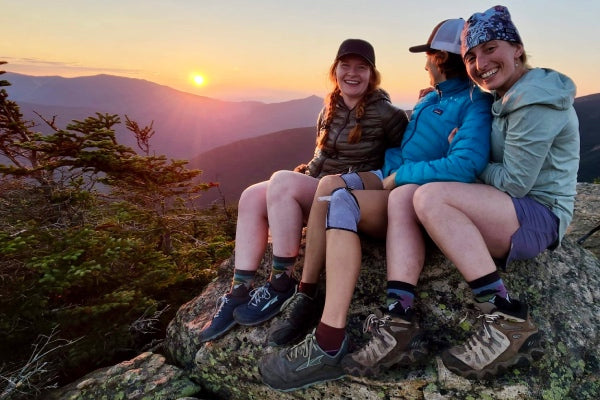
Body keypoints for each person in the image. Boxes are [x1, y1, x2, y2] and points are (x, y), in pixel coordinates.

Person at [259, 18, 493, 391]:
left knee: (341, 203)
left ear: (439, 58)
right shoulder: (432, 97)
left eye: (428, 56)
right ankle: (306, 293)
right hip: (387, 174)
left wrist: (400, 176)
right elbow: (401, 143)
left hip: (407, 187)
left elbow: (464, 163)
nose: (424, 64)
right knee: (329, 186)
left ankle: (329, 340)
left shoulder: (472, 102)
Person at [198, 39, 408, 342]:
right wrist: (304, 174)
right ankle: (239, 290)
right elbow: (319, 160)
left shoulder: (389, 114)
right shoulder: (329, 109)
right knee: (251, 196)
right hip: (319, 187)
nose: (353, 73)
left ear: (372, 75)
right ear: (334, 70)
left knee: (281, 181)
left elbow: (399, 160)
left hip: (347, 198)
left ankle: (281, 282)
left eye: (361, 68)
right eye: (345, 66)